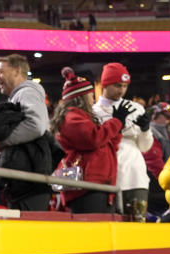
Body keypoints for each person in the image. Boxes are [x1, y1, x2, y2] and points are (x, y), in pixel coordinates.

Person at [52, 76, 129, 214]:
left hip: (96, 184)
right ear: (81, 98)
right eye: (91, 95)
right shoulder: (71, 118)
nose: (93, 99)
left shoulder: (81, 117)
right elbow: (93, 138)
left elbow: (107, 145)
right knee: (93, 230)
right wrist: (115, 122)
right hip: (86, 186)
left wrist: (118, 126)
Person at [0, 54, 53, 211]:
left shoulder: (27, 93)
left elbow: (35, 125)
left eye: (1, 72)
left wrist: (4, 142)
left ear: (17, 71)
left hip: (29, 184)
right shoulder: (19, 95)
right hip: (24, 181)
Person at [92, 63, 152, 220]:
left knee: (137, 226)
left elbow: (145, 147)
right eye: (117, 85)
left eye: (125, 86)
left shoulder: (136, 108)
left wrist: (145, 129)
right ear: (105, 84)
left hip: (135, 175)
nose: (122, 90)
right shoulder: (93, 111)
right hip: (108, 176)